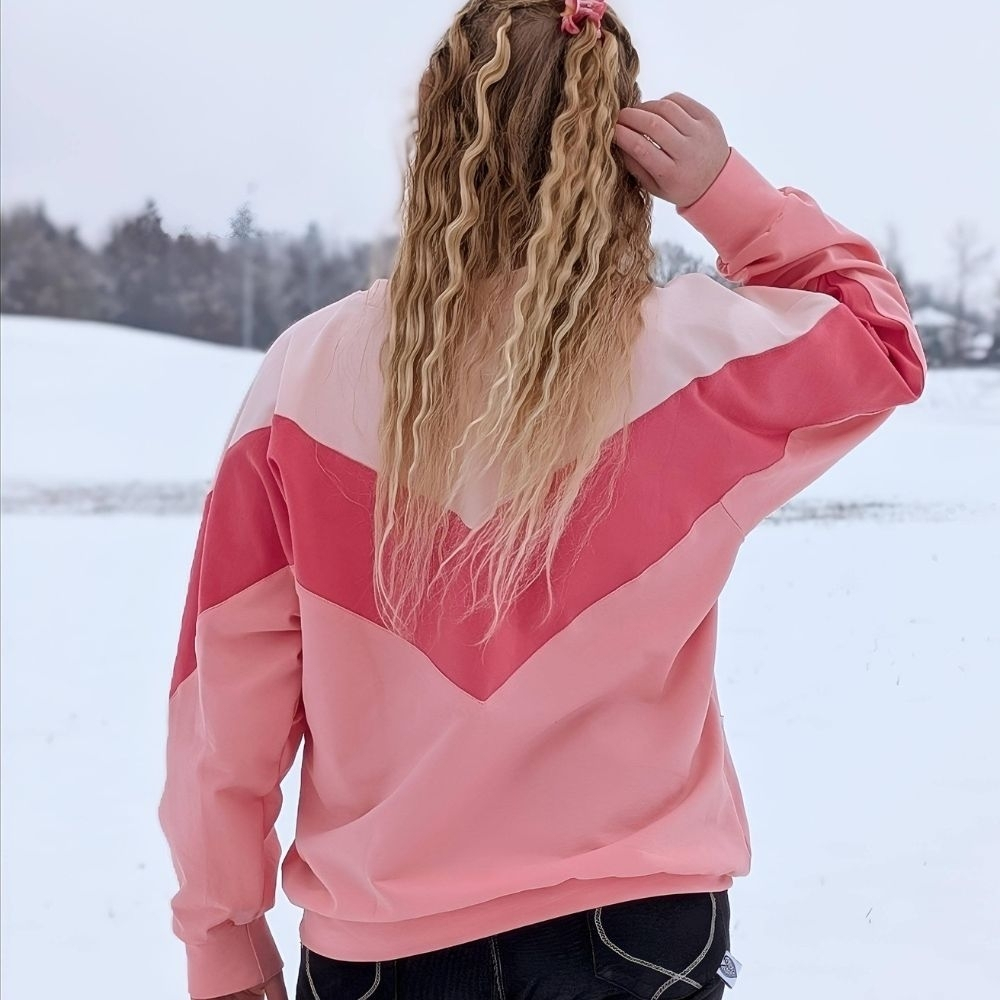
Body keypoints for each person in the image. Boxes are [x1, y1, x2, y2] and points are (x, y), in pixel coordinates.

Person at [156, 1, 928, 998]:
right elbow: (877, 339)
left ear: (437, 140)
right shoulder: (693, 357)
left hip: (383, 945)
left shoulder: (303, 377)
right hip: (637, 929)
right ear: (618, 149)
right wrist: (728, 197)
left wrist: (221, 932)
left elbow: (226, 694)